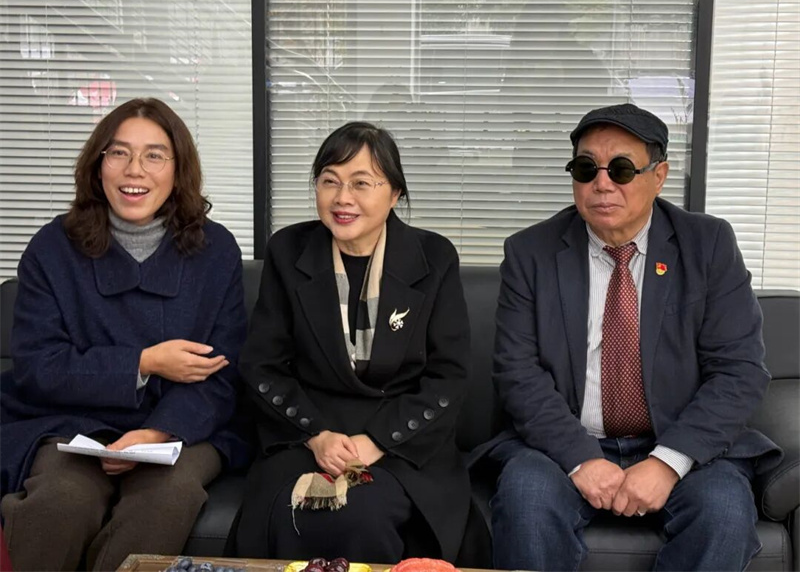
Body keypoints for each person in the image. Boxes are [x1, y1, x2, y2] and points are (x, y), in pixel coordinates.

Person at [484, 103, 783, 571]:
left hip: (680, 441)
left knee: (723, 511)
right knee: (527, 496)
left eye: (622, 169)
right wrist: (582, 460)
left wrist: (667, 462)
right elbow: (518, 373)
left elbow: (739, 371)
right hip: (565, 443)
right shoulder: (531, 252)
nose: (602, 184)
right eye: (587, 169)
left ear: (659, 176)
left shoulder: (707, 246)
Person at [0, 97, 248, 571]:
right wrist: (143, 363)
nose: (135, 170)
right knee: (60, 501)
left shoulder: (215, 249)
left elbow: (222, 375)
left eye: (154, 155)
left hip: (181, 428)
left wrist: (155, 433)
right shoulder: (52, 247)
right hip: (68, 424)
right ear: (98, 167)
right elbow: (37, 365)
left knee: (167, 497)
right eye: (118, 153)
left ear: (178, 169)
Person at [231, 121, 484, 564]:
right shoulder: (289, 251)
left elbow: (449, 377)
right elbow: (261, 365)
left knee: (362, 514)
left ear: (395, 193)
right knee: (295, 510)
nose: (342, 198)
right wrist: (315, 435)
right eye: (330, 181)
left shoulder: (434, 257)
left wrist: (377, 441)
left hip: (403, 442)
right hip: (308, 437)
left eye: (361, 183)